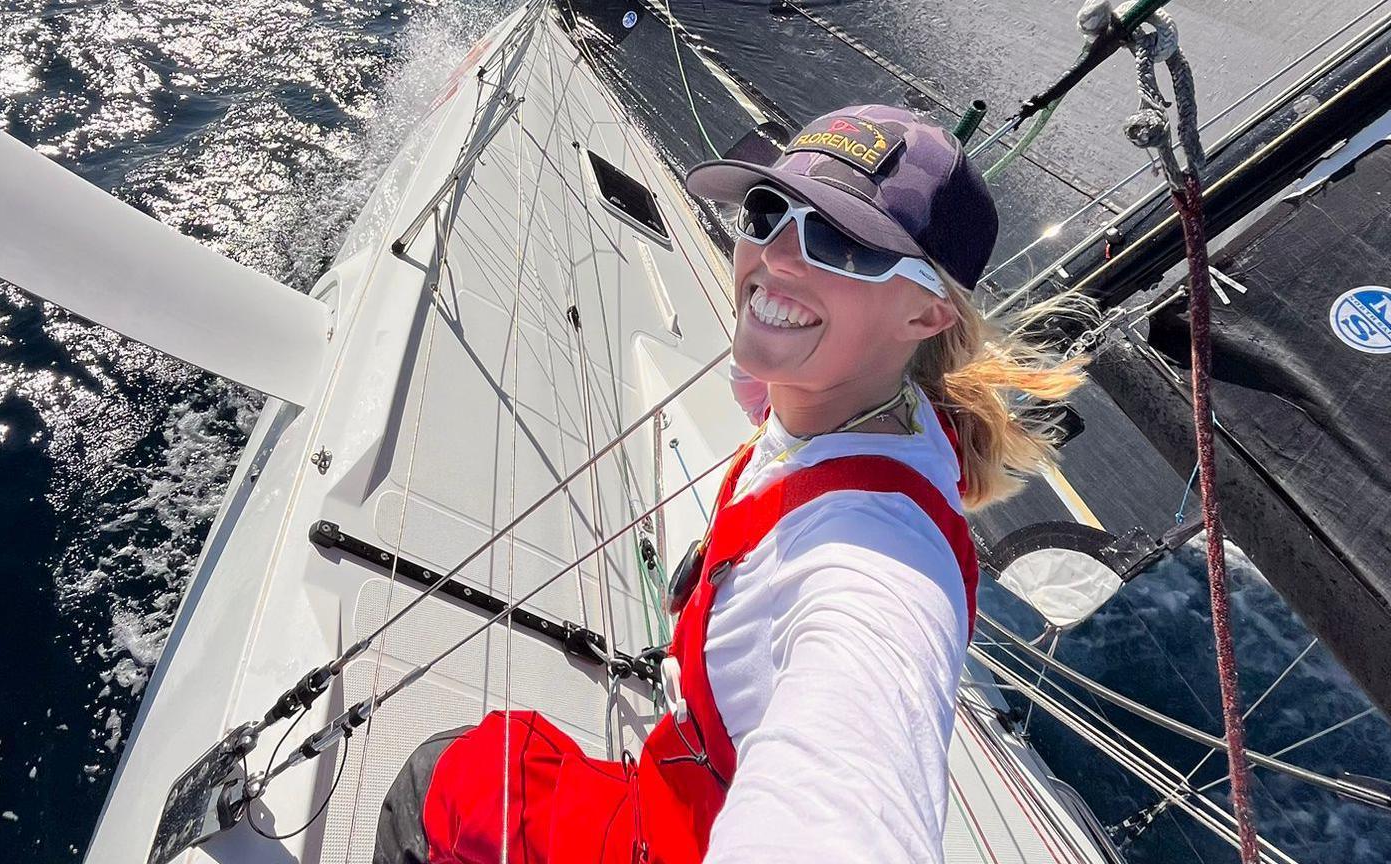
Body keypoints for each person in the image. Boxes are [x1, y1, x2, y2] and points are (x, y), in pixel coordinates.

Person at [373, 104, 1084, 864]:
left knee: (441, 783)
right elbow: (768, 363)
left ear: (927, 314)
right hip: (676, 794)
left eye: (842, 243)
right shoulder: (860, 400)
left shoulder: (876, 561)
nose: (777, 255)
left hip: (676, 840)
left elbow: (847, 790)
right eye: (767, 210)